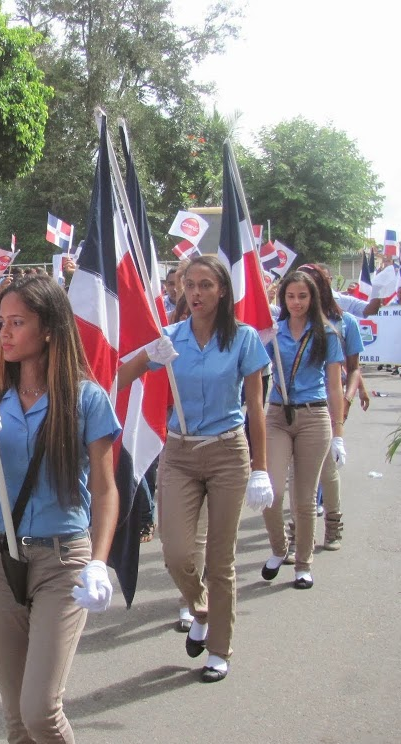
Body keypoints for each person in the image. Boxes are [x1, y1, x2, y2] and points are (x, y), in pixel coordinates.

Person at [0, 275, 119, 744]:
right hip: (0, 560)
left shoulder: (86, 399)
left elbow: (105, 490)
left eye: (18, 322)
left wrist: (98, 563)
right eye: (1, 323)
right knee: (16, 718)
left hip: (62, 562)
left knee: (39, 709)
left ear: (50, 329)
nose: (6, 334)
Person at [118, 255, 272, 682]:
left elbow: (255, 407)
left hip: (227, 453)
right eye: (190, 285)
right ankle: (200, 607)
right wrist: (147, 353)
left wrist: (261, 468)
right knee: (176, 552)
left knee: (221, 559)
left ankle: (219, 647)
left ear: (222, 291)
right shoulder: (169, 338)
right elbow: (118, 377)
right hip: (181, 454)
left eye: (206, 285)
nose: (197, 293)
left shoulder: (243, 339)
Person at [260, 271, 346, 590]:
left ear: (313, 298)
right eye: (290, 296)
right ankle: (280, 549)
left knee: (304, 497)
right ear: (283, 299)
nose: (296, 302)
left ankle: (303, 563)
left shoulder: (327, 333)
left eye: (302, 296)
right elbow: (253, 371)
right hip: (278, 414)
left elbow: (335, 387)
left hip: (314, 415)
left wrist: (339, 433)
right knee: (272, 491)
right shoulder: (273, 332)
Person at [290, 263, 366, 554]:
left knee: (327, 469)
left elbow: (354, 369)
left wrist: (345, 403)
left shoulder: (345, 322)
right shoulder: (292, 323)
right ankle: (298, 528)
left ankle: (333, 522)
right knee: (297, 472)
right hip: (295, 407)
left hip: (329, 403)